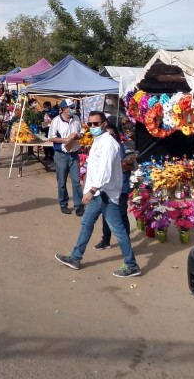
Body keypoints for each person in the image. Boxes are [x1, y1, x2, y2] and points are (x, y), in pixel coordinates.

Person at [55, 111, 142, 277]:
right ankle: (76, 257)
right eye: (90, 124)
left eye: (96, 124)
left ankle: (131, 264)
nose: (93, 127)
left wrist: (93, 190)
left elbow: (105, 171)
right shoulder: (99, 140)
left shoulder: (109, 143)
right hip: (97, 193)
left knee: (118, 230)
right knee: (86, 223)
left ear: (104, 124)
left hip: (106, 194)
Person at [94, 123, 136, 250]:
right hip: (105, 187)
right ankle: (105, 240)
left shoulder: (123, 148)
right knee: (106, 214)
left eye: (112, 134)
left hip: (121, 187)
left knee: (122, 214)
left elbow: (132, 166)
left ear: (117, 135)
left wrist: (120, 166)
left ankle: (126, 242)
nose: (109, 136)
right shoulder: (100, 147)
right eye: (107, 134)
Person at [49, 99, 84, 215]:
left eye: (73, 107)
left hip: (74, 154)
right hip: (61, 155)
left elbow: (82, 132)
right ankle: (63, 204)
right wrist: (66, 140)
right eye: (71, 108)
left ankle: (79, 205)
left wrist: (78, 136)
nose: (73, 110)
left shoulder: (76, 119)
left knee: (76, 181)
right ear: (64, 109)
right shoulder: (56, 121)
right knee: (62, 181)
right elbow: (51, 138)